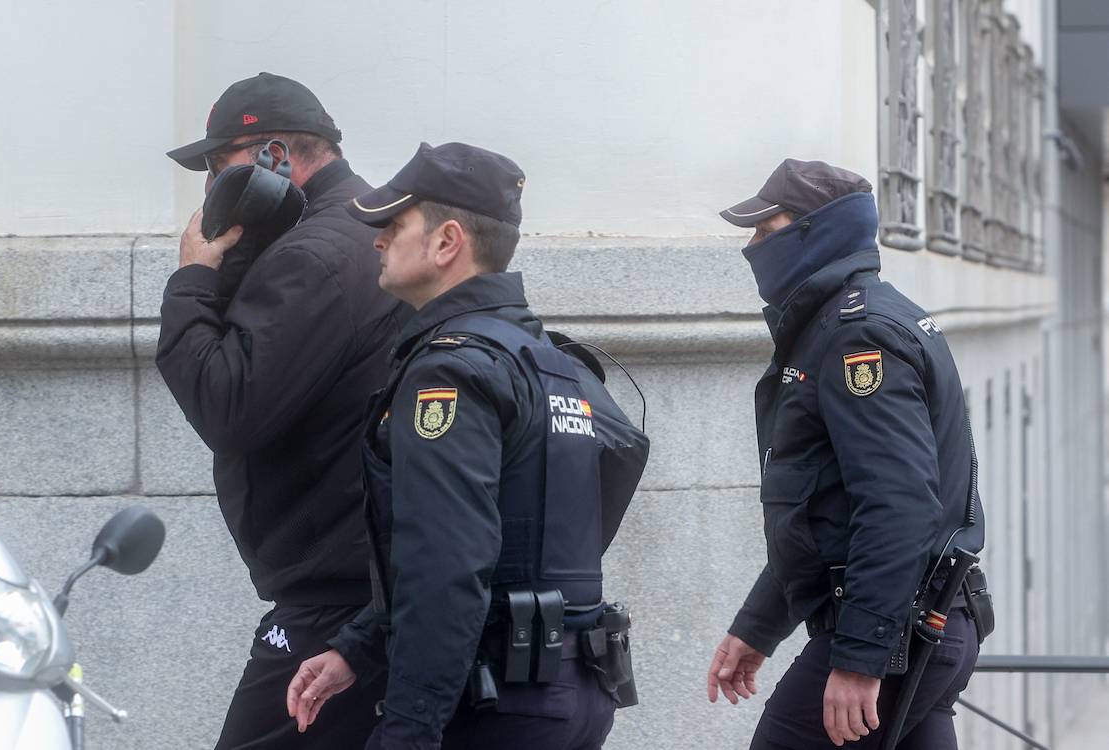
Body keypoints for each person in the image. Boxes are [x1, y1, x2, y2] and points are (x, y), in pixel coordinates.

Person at [283, 142, 649, 750]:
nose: (378, 240)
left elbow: (446, 567)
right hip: (571, 692)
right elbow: (536, 533)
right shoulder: (553, 363)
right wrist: (358, 647)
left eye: (394, 225)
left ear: (447, 242)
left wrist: (407, 730)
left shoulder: (450, 374)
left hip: (495, 707)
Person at [705, 159, 989, 749]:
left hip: (896, 633)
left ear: (818, 230)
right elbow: (821, 515)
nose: (754, 248)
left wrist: (862, 658)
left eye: (766, 229)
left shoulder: (858, 335)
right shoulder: (852, 322)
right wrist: (759, 625)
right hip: (922, 624)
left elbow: (898, 505)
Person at [157, 72, 399, 749]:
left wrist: (195, 276)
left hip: (336, 597)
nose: (209, 190)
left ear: (275, 159)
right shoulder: (356, 229)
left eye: (216, 166)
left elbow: (227, 406)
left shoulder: (313, 255)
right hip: (362, 585)